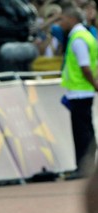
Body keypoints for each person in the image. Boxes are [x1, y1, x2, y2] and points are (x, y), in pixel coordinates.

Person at [59, 5, 98, 177]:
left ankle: (83, 167)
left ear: (72, 19)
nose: (60, 23)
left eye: (63, 19)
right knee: (86, 129)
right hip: (84, 90)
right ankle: (88, 166)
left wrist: (95, 84)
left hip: (80, 91)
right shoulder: (86, 35)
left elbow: (85, 67)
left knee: (81, 131)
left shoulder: (77, 38)